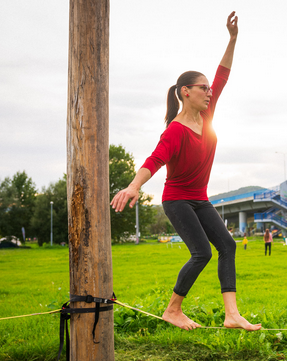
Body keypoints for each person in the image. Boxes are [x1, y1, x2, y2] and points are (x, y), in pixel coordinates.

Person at [110, 12, 260, 332]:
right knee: (201, 253)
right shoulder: (175, 131)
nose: (209, 92)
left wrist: (232, 39)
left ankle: (232, 315)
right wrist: (134, 186)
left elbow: (223, 75)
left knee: (227, 246)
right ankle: (173, 310)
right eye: (202, 88)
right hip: (177, 199)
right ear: (185, 92)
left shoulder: (208, 116)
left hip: (200, 198)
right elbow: (153, 160)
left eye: (209, 89)